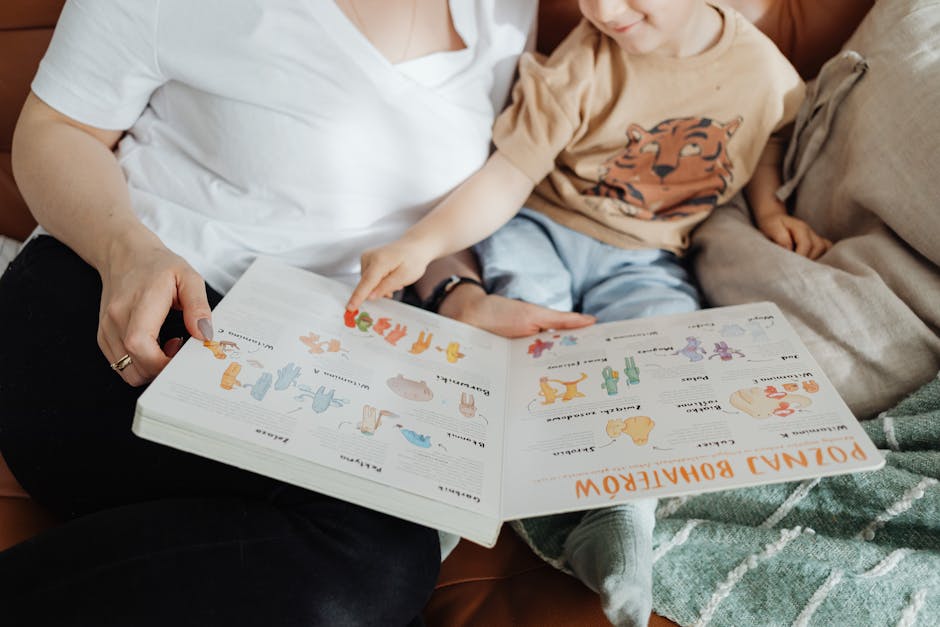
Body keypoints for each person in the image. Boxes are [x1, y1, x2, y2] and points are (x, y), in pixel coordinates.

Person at [0, 1, 595, 625]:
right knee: (379, 560)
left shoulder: (502, 10)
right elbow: (54, 130)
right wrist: (127, 252)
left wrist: (458, 296)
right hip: (131, 308)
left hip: (321, 360)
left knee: (370, 567)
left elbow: (422, 217)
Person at [348, 1, 833, 624]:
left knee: (662, 360)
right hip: (539, 224)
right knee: (529, 336)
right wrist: (424, 244)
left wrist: (769, 211)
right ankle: (455, 503)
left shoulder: (767, 73)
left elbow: (767, 137)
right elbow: (509, 175)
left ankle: (623, 515)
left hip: (645, 257)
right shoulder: (586, 58)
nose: (602, 10)